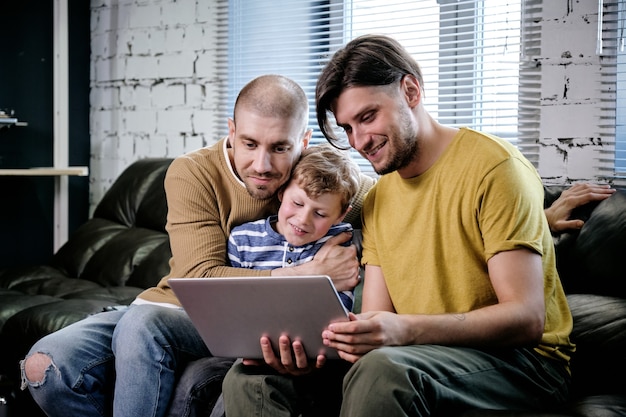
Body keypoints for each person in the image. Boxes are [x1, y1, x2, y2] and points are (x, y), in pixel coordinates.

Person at [222, 34, 588, 417]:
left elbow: (526, 319)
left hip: (521, 365)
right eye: (347, 127)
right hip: (409, 359)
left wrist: (403, 330)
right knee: (250, 377)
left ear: (410, 90)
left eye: (367, 117)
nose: (359, 140)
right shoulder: (379, 198)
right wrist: (311, 349)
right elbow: (374, 322)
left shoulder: (495, 170)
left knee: (383, 373)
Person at [19, 74, 374, 417]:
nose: (262, 165)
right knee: (44, 369)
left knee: (144, 327)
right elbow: (199, 276)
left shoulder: (314, 177)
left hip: (234, 324)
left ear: (303, 142)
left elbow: (389, 198)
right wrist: (307, 274)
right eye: (249, 144)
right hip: (173, 309)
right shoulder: (193, 173)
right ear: (232, 132)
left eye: (280, 147)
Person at [228, 144, 361, 311]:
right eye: (297, 203)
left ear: (340, 216)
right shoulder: (243, 240)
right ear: (282, 192)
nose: (303, 219)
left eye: (320, 213)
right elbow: (234, 304)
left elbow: (338, 313)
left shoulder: (340, 242)